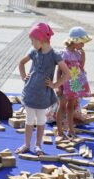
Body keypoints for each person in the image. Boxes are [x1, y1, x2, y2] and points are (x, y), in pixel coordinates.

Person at [15, 22, 70, 156]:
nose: (32, 43)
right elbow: (21, 63)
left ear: (41, 39)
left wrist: (55, 85)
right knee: (29, 120)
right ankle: (27, 145)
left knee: (41, 120)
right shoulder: (34, 51)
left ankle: (37, 145)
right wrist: (24, 76)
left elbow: (67, 73)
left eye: (33, 40)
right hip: (30, 92)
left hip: (43, 95)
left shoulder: (54, 55)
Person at [56, 26, 92, 140]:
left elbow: (81, 67)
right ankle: (60, 131)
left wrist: (83, 57)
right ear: (74, 41)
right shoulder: (64, 53)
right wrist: (58, 86)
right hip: (65, 84)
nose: (83, 45)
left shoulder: (77, 53)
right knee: (62, 107)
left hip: (74, 84)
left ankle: (71, 129)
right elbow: (59, 70)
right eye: (82, 42)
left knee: (71, 106)